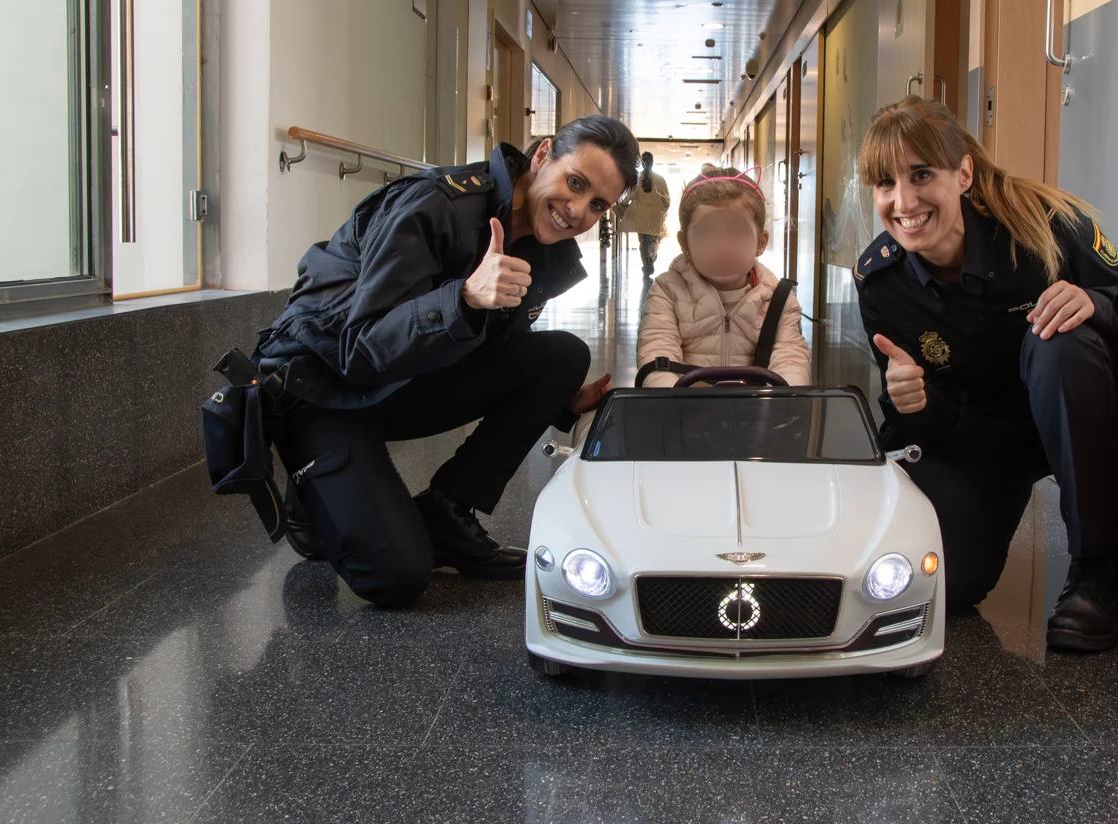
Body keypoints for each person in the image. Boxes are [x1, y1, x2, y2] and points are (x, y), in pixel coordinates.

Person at [250, 116, 639, 607]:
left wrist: (563, 399)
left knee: (562, 356)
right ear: (542, 156)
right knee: (395, 576)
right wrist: (463, 299)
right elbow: (360, 345)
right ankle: (311, 497)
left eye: (597, 205)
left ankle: (446, 512)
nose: (577, 211)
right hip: (322, 385)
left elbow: (498, 346)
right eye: (575, 182)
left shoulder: (537, 242)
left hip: (399, 379)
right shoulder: (437, 203)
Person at [853, 96, 1118, 651]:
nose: (904, 201)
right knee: (951, 583)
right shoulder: (880, 281)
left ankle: (1098, 569)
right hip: (981, 435)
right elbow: (927, 425)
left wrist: (1092, 301)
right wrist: (909, 402)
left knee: (1058, 341)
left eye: (922, 174)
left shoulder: (1042, 225)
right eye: (885, 184)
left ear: (963, 173)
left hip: (1071, 414)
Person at [638, 164, 810, 387]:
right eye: (706, 233)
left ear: (761, 242)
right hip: (686, 411)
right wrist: (673, 401)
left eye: (736, 231)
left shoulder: (779, 299)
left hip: (758, 412)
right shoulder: (667, 292)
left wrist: (783, 402)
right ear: (684, 243)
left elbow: (791, 360)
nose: (722, 247)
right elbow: (657, 353)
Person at [619, 151, 671, 275]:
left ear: (642, 163)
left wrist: (623, 203)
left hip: (641, 218)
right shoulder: (660, 179)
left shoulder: (637, 179)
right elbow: (667, 200)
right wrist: (663, 212)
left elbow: (629, 196)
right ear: (652, 163)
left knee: (643, 242)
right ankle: (651, 259)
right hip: (656, 218)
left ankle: (647, 264)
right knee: (653, 241)